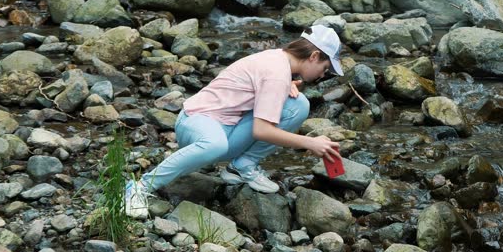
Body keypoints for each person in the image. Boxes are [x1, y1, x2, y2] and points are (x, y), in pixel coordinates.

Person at [124, 25, 343, 219]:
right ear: (314, 56)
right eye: (325, 69)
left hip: (227, 127)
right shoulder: (276, 73)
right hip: (195, 122)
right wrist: (309, 143)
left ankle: (241, 167)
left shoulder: (279, 62)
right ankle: (140, 187)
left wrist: (286, 84)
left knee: (298, 104)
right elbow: (262, 130)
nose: (322, 75)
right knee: (215, 144)